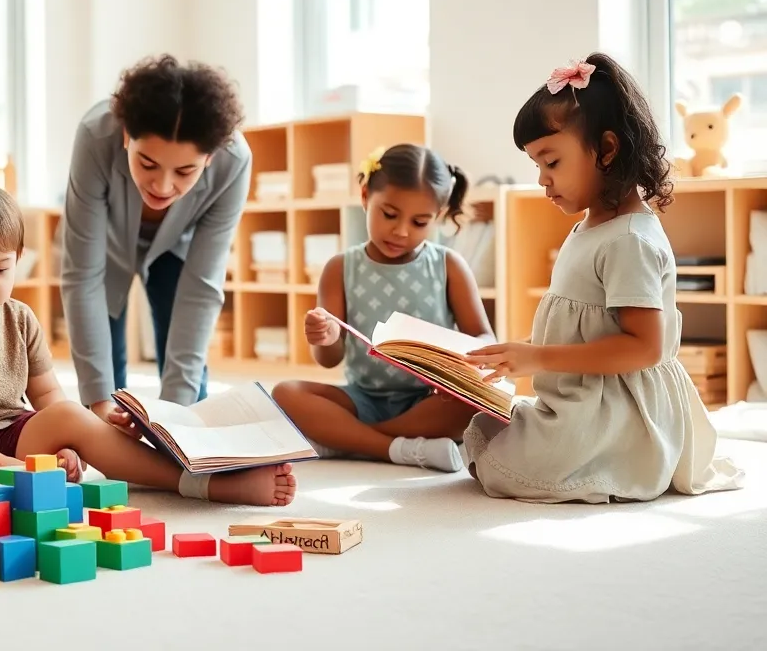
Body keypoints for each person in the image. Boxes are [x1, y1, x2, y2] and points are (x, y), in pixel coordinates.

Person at [0, 180, 296, 507]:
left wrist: (64, 444)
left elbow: (46, 395)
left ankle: (198, 483)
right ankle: (14, 479)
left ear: (18, 259)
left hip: (11, 432)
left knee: (69, 415)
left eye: (1, 268)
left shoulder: (20, 317)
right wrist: (4, 465)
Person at [462, 54, 745, 502]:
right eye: (537, 165)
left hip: (620, 409)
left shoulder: (628, 240)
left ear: (608, 150)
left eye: (551, 162)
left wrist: (537, 358)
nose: (542, 179)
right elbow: (584, 321)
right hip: (584, 395)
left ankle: (617, 460)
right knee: (484, 425)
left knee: (507, 464)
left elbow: (644, 347)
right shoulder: (592, 226)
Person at [272, 144, 492, 473]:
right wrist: (325, 337)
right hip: (363, 399)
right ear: (364, 196)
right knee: (285, 393)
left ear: (439, 216)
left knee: (474, 404)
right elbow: (329, 359)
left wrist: (465, 361)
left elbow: (484, 336)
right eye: (389, 214)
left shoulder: (448, 265)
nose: (401, 231)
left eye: (419, 222)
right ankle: (393, 448)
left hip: (429, 400)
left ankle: (352, 441)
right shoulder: (340, 268)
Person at [62, 54, 249, 433]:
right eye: (148, 164)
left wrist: (174, 418)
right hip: (107, 244)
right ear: (127, 135)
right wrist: (99, 402)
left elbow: (201, 288)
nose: (163, 186)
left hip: (178, 248)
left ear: (210, 158)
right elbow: (83, 277)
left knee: (186, 386)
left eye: (184, 171)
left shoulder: (234, 162)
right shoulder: (96, 136)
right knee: (105, 389)